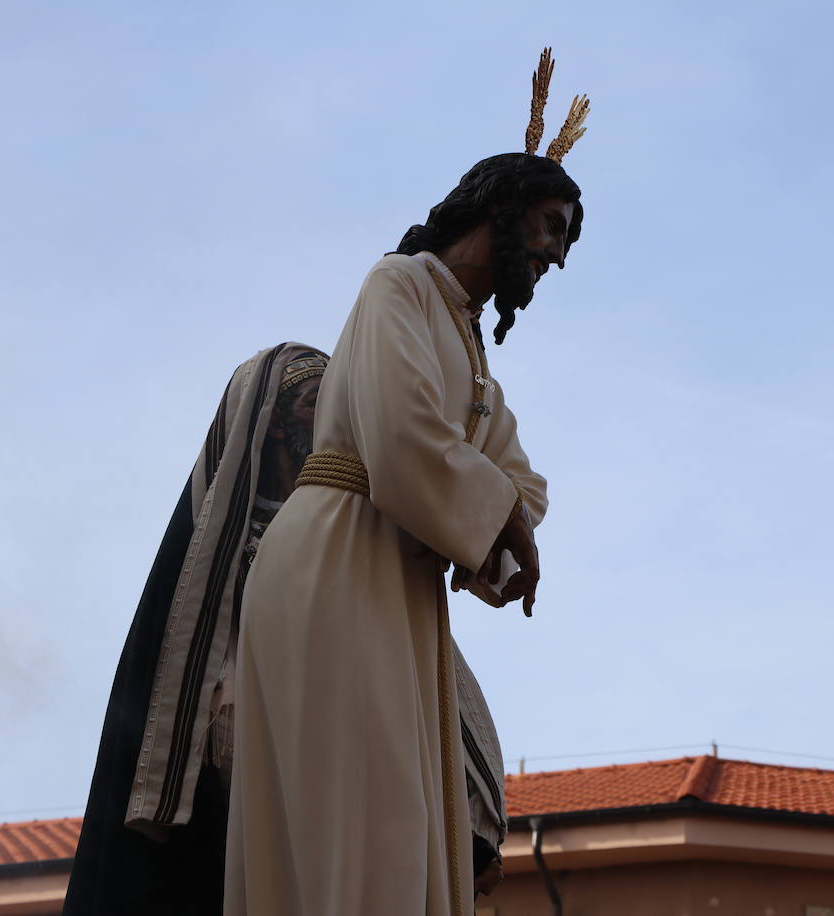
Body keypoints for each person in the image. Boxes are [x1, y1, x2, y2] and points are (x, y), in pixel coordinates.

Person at [224, 49, 587, 915]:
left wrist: (505, 523)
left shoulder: (473, 362)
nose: (556, 257)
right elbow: (400, 441)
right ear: (496, 211)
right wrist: (498, 517)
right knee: (356, 809)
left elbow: (521, 485)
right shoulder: (397, 286)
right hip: (337, 553)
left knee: (405, 819)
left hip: (400, 580)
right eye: (548, 227)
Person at [64, 345, 511, 914]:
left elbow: (425, 666)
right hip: (260, 796)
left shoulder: (360, 542)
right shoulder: (228, 566)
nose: (330, 417)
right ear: (271, 424)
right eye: (312, 402)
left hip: (366, 788)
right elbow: (203, 704)